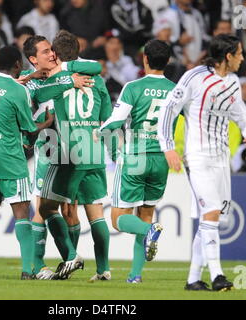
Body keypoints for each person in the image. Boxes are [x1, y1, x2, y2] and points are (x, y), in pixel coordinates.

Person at [157, 34, 246, 291]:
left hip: (221, 159)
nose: (242, 58)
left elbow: (240, 113)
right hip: (197, 156)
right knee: (211, 212)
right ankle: (217, 275)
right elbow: (168, 110)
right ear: (228, 56)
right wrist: (168, 147)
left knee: (210, 219)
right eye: (239, 53)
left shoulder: (233, 82)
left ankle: (193, 279)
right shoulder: (194, 77)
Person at [0, 46, 54, 280]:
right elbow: (28, 126)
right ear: (18, 64)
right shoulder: (19, 91)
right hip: (9, 159)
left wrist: (29, 77)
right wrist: (47, 123)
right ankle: (29, 270)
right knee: (22, 211)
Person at [21, 34, 101, 280]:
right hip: (48, 148)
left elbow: (95, 67)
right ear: (33, 59)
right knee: (41, 207)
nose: (52, 54)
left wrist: (67, 72)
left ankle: (69, 259)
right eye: (45, 52)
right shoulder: (31, 83)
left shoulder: (65, 72)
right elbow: (37, 99)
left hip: (70, 148)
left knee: (69, 209)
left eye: (52, 50)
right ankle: (37, 265)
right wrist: (67, 82)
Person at [96, 39, 174, 283]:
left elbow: (116, 121)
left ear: (145, 60)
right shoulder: (176, 89)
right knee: (146, 214)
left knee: (119, 219)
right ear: (168, 61)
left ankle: (149, 232)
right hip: (161, 159)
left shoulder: (133, 86)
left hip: (135, 156)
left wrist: (98, 130)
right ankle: (135, 275)